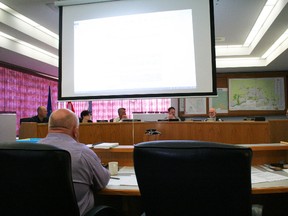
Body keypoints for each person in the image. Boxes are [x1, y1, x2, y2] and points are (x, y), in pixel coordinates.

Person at [38, 109, 110, 215]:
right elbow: (102, 182)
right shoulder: (83, 152)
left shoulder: (31, 151)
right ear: (75, 131)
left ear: (49, 128)